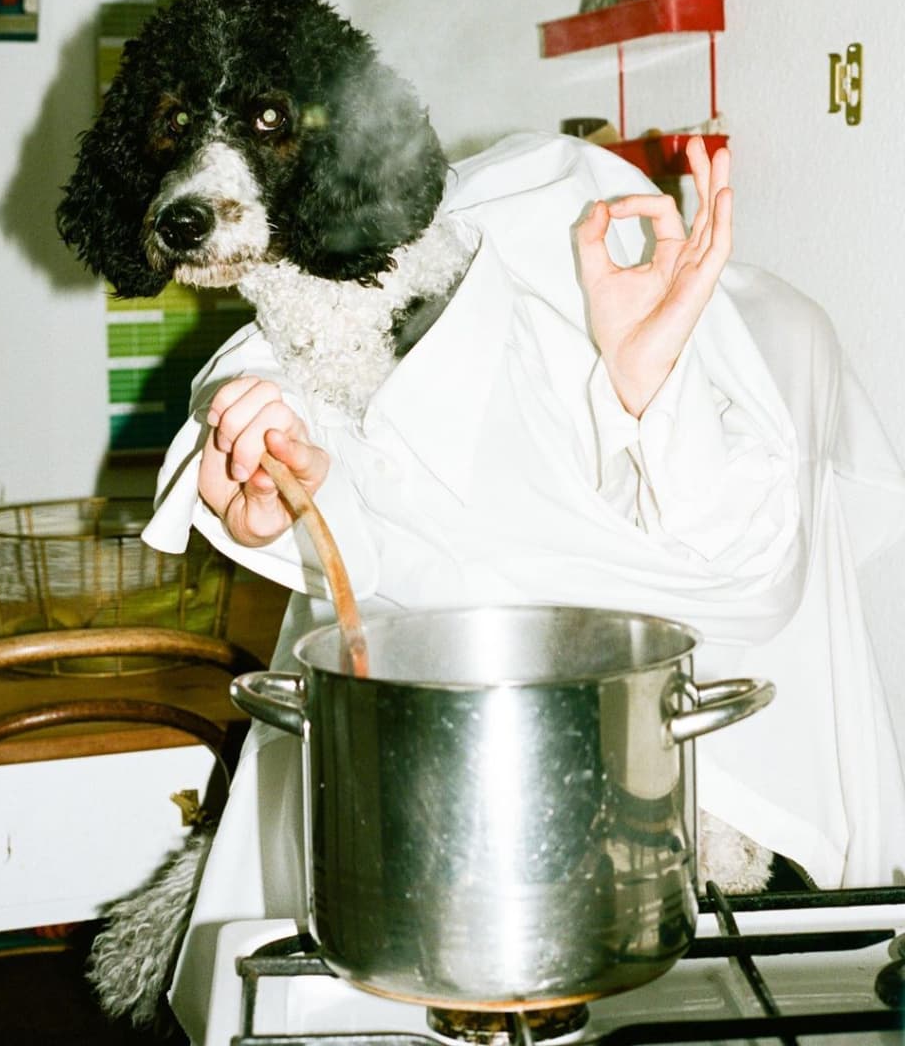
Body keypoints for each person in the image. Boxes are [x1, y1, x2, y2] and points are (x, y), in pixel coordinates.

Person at [142, 130, 905, 1044]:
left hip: (714, 819)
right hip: (413, 828)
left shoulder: (723, 369)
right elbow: (286, 401)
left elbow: (748, 571)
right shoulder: (373, 356)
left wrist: (648, 381)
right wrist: (259, 473)